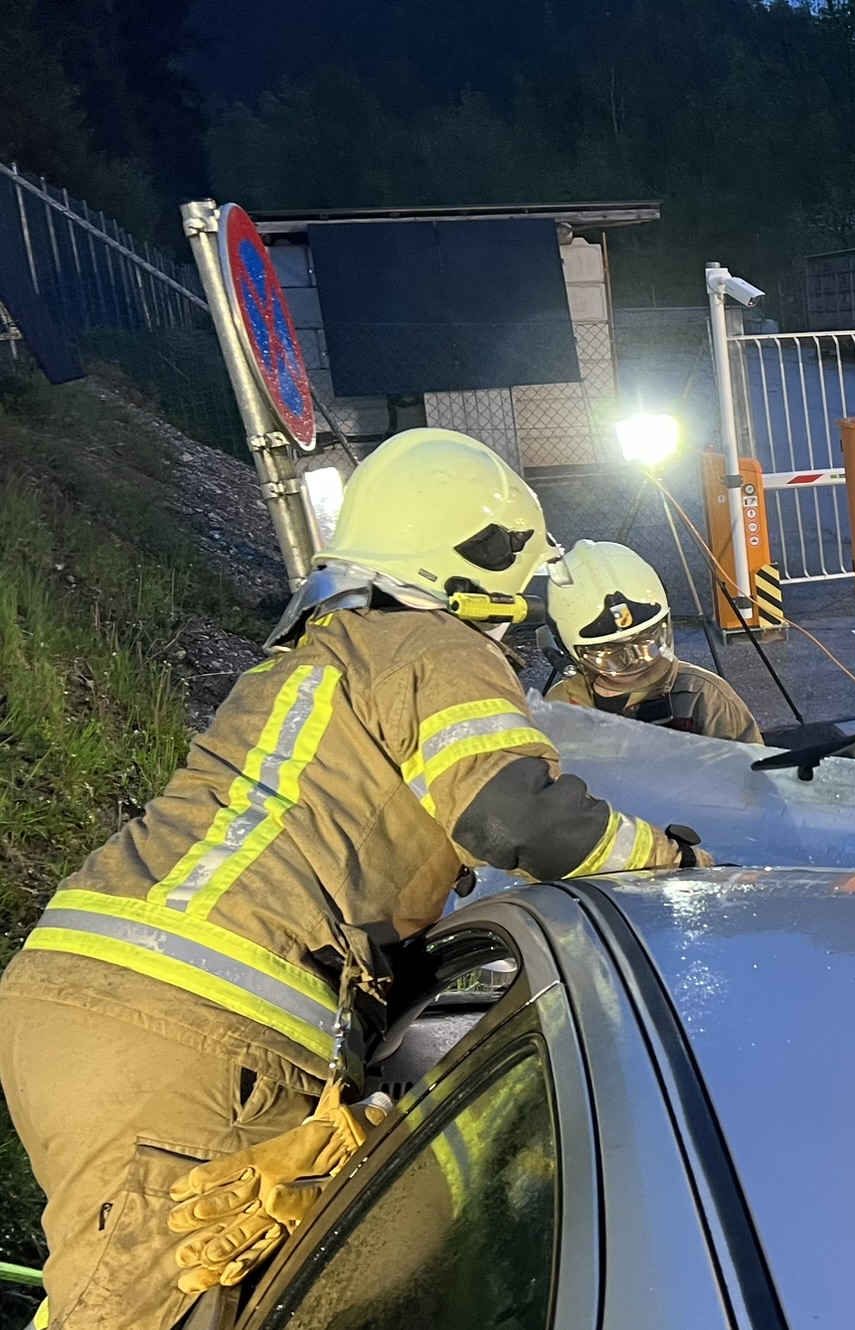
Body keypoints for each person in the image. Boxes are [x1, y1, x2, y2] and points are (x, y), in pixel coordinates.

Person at [0, 429, 711, 1329]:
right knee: (152, 1301)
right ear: (477, 566)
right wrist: (672, 860)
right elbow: (514, 817)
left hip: (88, 996)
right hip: (195, 1029)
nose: (515, 622)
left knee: (120, 1283)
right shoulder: (433, 643)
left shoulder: (321, 654)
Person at [543, 539, 763, 744]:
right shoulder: (560, 705)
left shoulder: (704, 697)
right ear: (568, 651)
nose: (634, 662)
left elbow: (749, 766)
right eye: (610, 655)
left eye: (647, 642)